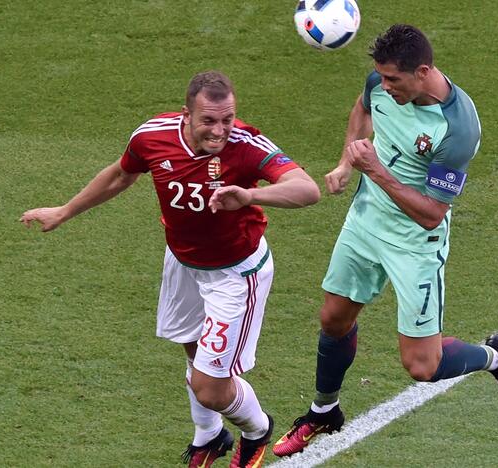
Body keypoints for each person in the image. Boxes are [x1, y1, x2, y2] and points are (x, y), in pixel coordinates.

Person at [20, 70, 320, 468]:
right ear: (186, 115)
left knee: (211, 387)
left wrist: (249, 194)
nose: (220, 130)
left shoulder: (247, 145)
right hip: (182, 263)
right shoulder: (152, 136)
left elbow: (307, 189)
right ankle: (209, 436)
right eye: (209, 121)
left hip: (235, 274)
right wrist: (65, 210)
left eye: (228, 119)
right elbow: (120, 175)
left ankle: (257, 429)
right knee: (191, 350)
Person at [272, 24, 498, 457]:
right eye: (381, 77)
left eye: (394, 80)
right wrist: (345, 163)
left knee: (421, 367)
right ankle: (323, 411)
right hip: (366, 222)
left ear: (423, 71)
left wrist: (373, 170)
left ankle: (494, 357)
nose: (384, 85)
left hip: (414, 243)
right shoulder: (380, 83)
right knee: (333, 319)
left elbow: (431, 214)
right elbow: (362, 109)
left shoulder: (457, 128)